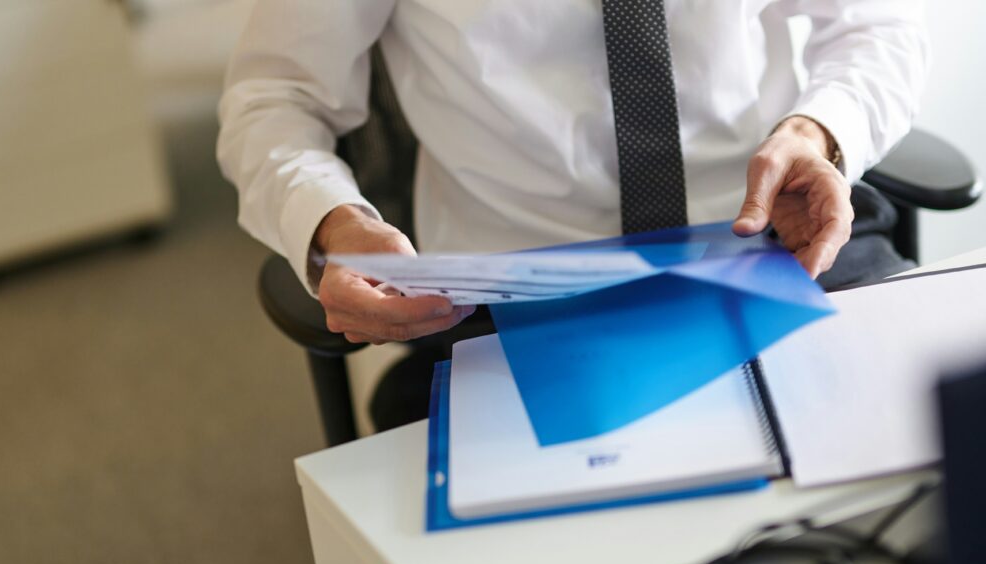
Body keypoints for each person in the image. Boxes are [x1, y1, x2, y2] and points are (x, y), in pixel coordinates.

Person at [218, 1, 927, 419]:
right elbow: (273, 100)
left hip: (776, 240)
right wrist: (330, 224)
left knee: (920, 465)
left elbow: (880, 25)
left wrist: (819, 132)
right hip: (510, 295)